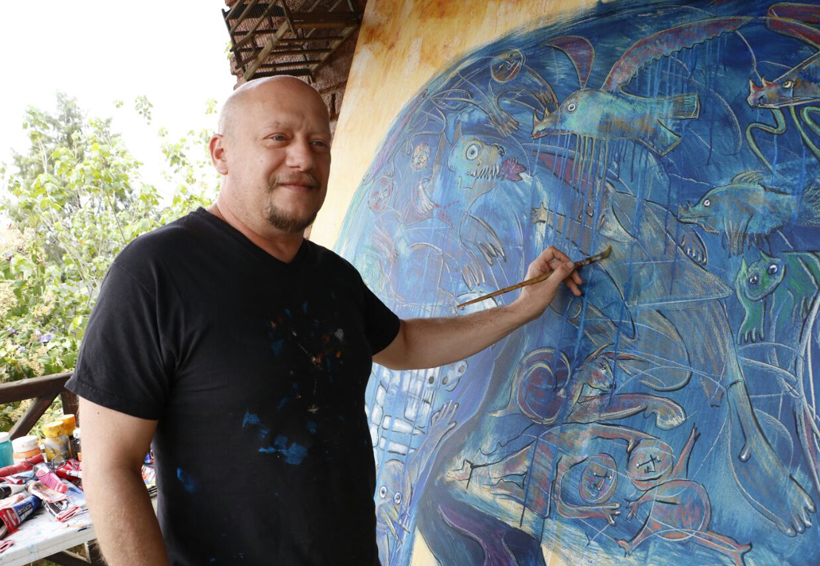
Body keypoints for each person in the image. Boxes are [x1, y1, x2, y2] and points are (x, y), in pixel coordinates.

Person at [66, 76, 583, 566]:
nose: (303, 158)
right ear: (221, 153)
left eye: (319, 143)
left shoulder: (334, 277)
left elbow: (404, 343)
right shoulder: (156, 273)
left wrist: (521, 308)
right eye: (278, 138)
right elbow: (110, 466)